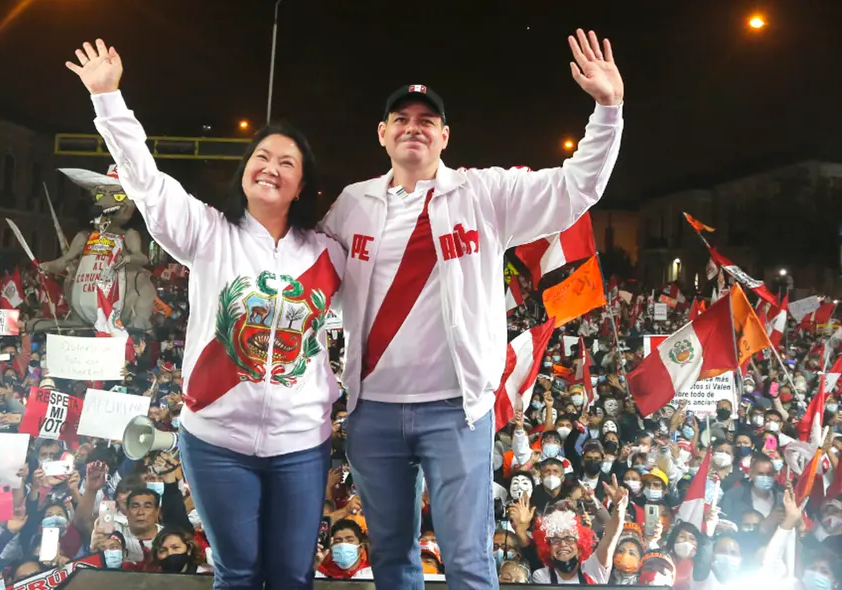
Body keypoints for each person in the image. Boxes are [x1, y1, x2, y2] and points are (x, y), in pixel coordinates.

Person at [320, 28, 624, 589]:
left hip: (455, 412)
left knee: (468, 560)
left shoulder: (485, 194)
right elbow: (309, 278)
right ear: (383, 134)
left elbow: (577, 188)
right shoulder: (350, 204)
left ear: (445, 136)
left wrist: (607, 109)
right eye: (402, 120)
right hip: (373, 412)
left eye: (427, 121)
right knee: (390, 555)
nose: (415, 128)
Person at [65, 39, 346, 589]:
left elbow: (371, 310)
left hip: (301, 446)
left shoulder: (328, 252)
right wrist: (107, 99)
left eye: (286, 162)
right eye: (260, 157)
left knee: (292, 574)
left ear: (303, 183)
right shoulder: (207, 232)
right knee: (237, 572)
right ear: (244, 170)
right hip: (217, 444)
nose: (270, 168)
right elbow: (145, 181)